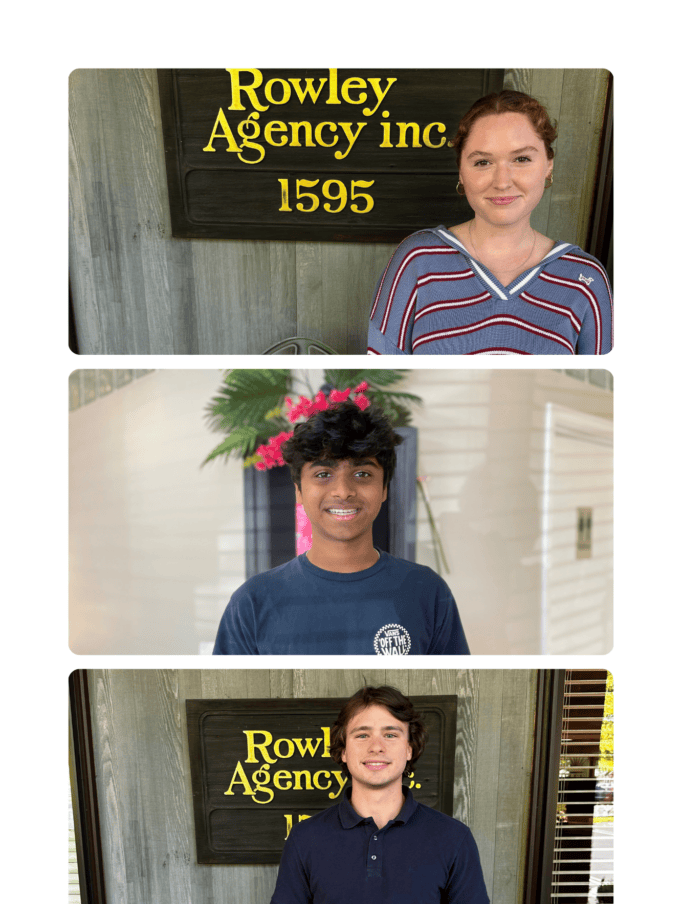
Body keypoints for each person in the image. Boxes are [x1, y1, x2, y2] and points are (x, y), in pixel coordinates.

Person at [212, 400, 469, 654]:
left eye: (362, 474)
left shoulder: (427, 592)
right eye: (323, 474)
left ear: (384, 489)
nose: (343, 492)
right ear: (299, 491)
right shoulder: (251, 604)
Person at [368, 90, 612, 355]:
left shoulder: (585, 279)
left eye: (522, 159)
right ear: (461, 172)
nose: (502, 181)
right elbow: (378, 380)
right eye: (483, 162)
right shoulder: (417, 260)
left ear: (548, 166)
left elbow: (601, 392)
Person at [269, 685, 491, 904]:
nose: (376, 746)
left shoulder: (453, 838)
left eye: (390, 734)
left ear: (409, 749)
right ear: (343, 751)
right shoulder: (305, 838)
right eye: (362, 735)